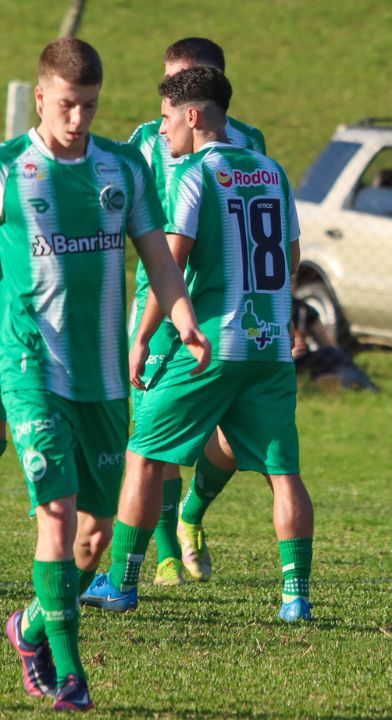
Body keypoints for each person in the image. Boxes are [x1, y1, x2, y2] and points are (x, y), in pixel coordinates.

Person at [0, 38, 209, 711]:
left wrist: (182, 319)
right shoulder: (9, 170)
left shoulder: (122, 168)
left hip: (104, 381)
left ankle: (31, 627)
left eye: (89, 106)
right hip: (30, 365)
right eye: (67, 105)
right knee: (56, 516)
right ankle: (71, 676)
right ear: (40, 98)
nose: (79, 119)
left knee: (92, 539)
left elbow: (158, 257)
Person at [82, 66, 315, 624]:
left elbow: (170, 263)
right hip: (269, 345)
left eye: (166, 118)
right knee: (283, 474)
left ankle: (122, 581)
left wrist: (142, 337)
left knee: (142, 455)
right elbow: (292, 256)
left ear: (192, 115)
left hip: (211, 344)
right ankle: (295, 597)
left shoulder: (194, 174)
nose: (161, 131)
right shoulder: (271, 169)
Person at [125, 37, 267, 587]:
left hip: (226, 309)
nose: (170, 92)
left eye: (182, 80)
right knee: (153, 440)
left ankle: (191, 515)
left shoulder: (249, 142)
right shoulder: (144, 141)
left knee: (231, 437)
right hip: (158, 304)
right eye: (166, 80)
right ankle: (162, 554)